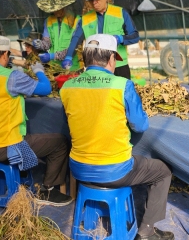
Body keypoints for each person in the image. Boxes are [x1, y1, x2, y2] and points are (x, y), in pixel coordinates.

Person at [60, 34, 174, 240]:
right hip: (114, 171)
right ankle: (147, 231)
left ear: (85, 58)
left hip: (78, 168)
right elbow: (140, 125)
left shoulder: (67, 87)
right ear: (111, 58)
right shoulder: (122, 85)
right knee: (163, 172)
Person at [0, 36, 73, 206]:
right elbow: (45, 88)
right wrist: (39, 71)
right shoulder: (10, 77)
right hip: (2, 147)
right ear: (5, 54)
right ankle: (48, 190)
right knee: (60, 142)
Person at [63, 0, 140, 79]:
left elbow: (135, 36)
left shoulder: (121, 13)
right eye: (91, 0)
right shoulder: (85, 19)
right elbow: (76, 38)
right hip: (96, 69)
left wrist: (120, 39)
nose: (94, 3)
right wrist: (68, 56)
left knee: (121, 93)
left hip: (119, 67)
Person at [33, 0, 82, 71]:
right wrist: (40, 44)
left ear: (64, 6)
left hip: (72, 66)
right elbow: (47, 43)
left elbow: (75, 47)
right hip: (54, 68)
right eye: (52, 8)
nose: (55, 10)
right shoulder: (48, 21)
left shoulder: (76, 21)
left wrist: (52, 56)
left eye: (57, 8)